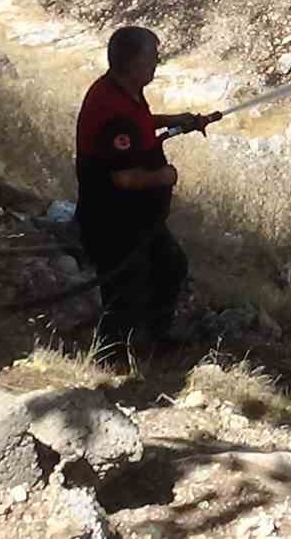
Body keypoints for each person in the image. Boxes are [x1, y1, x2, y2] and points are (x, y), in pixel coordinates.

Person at [74, 26, 213, 360]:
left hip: (137, 220)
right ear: (133, 61)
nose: (157, 62)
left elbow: (138, 124)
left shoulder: (122, 91)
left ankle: (154, 340)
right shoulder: (110, 108)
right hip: (113, 222)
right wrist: (166, 175)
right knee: (125, 291)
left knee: (170, 266)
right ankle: (110, 363)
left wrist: (177, 119)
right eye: (153, 55)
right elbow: (123, 178)